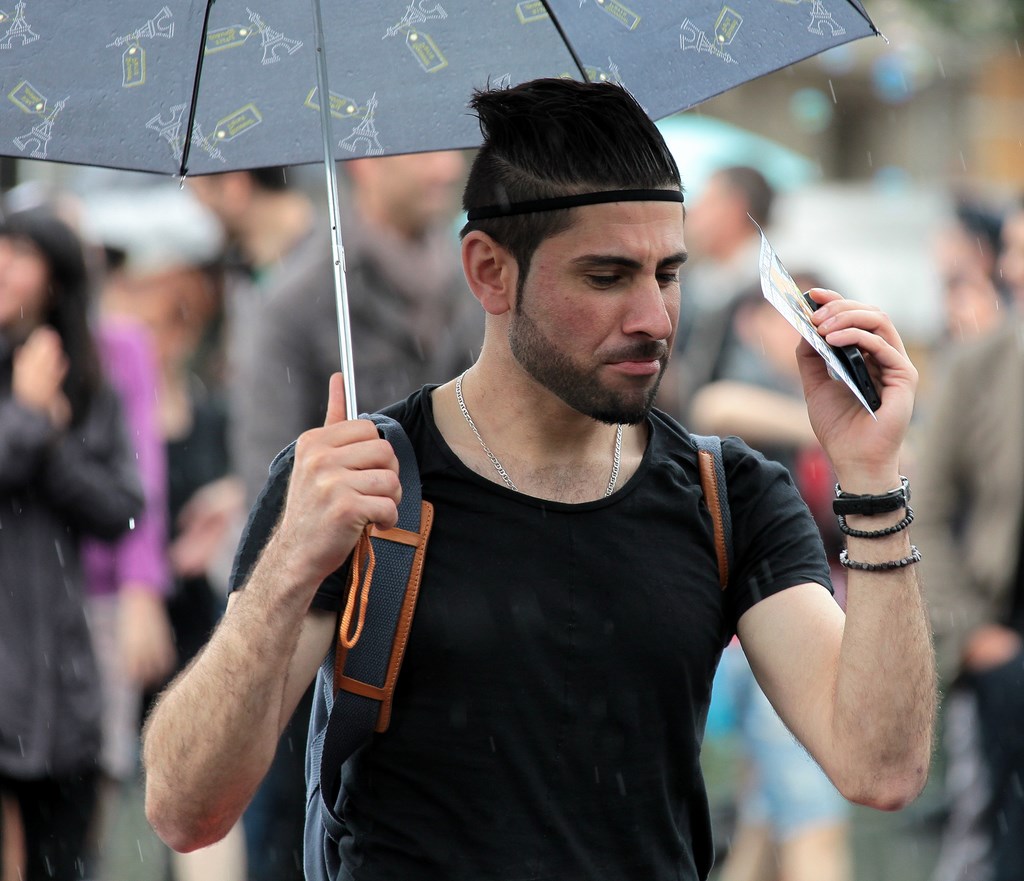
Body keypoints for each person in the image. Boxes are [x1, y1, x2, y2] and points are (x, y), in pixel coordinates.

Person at [142, 78, 936, 881]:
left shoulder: (727, 493)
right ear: (490, 272)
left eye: (667, 273)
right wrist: (286, 570)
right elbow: (185, 807)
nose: (654, 318)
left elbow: (881, 767)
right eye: (606, 276)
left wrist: (871, 475)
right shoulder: (365, 481)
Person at [193, 154, 479, 879]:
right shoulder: (295, 304)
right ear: (363, 162)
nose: (447, 167)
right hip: (333, 656)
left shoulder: (478, 287)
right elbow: (270, 498)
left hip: (465, 638)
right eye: (421, 151)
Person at [688, 274, 851, 881]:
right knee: (813, 826)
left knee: (764, 829)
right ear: (752, 324)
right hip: (770, 637)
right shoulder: (749, 390)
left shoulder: (809, 398)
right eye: (793, 319)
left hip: (795, 630)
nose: (808, 336)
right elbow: (715, 404)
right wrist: (827, 425)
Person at [0, 208, 143, 881]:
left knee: (66, 863)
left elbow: (121, 508)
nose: (2, 265)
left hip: (61, 686)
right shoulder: (32, 396)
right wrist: (29, 418)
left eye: (21, 254)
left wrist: (52, 439)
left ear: (55, 281)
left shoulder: (85, 385)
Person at [917, 198, 1024, 881]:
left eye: (1021, 249)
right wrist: (974, 635)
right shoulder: (983, 363)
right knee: (996, 843)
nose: (1009, 267)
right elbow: (923, 509)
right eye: (1008, 248)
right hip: (1007, 650)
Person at [659, 165, 775, 420]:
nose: (692, 214)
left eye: (705, 202)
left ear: (733, 208)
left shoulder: (777, 290)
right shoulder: (701, 280)